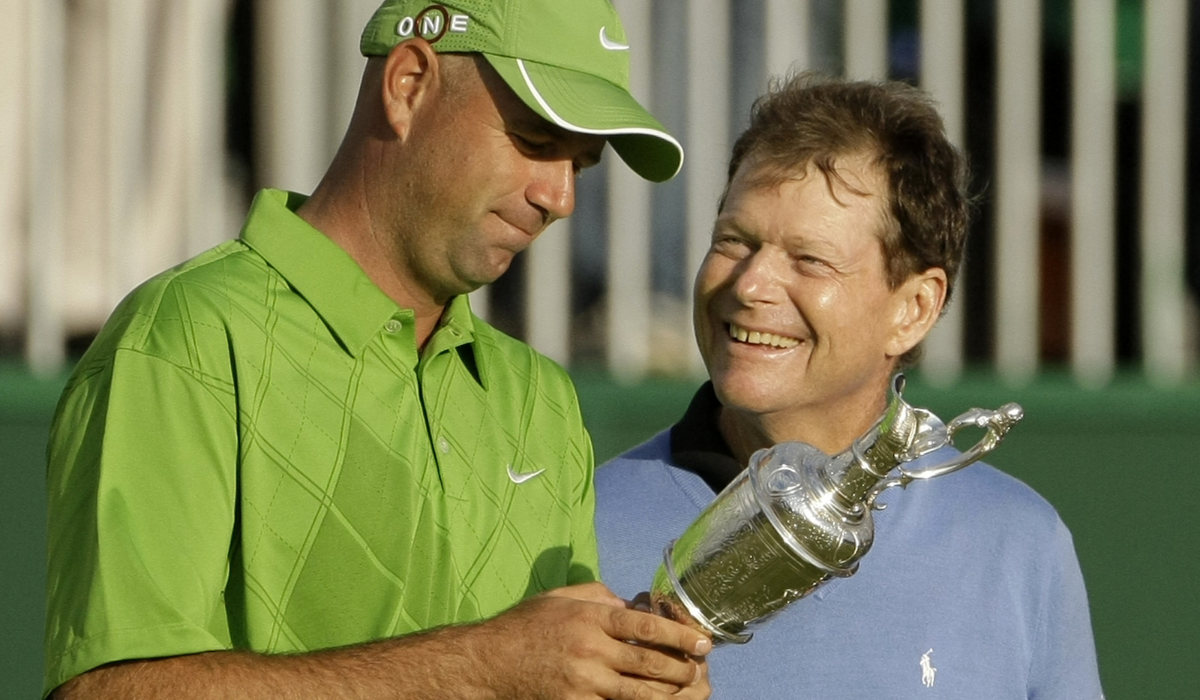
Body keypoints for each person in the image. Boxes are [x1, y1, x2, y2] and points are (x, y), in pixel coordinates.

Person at [42, 1, 713, 698]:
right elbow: (106, 690)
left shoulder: (541, 398)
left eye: (581, 163)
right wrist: (480, 667)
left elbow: (542, 672)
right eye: (535, 140)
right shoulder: (186, 336)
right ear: (407, 85)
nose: (561, 196)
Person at [595, 74, 1104, 699]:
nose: (751, 285)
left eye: (810, 260)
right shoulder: (580, 523)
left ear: (913, 307)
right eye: (734, 241)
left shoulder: (1020, 544)